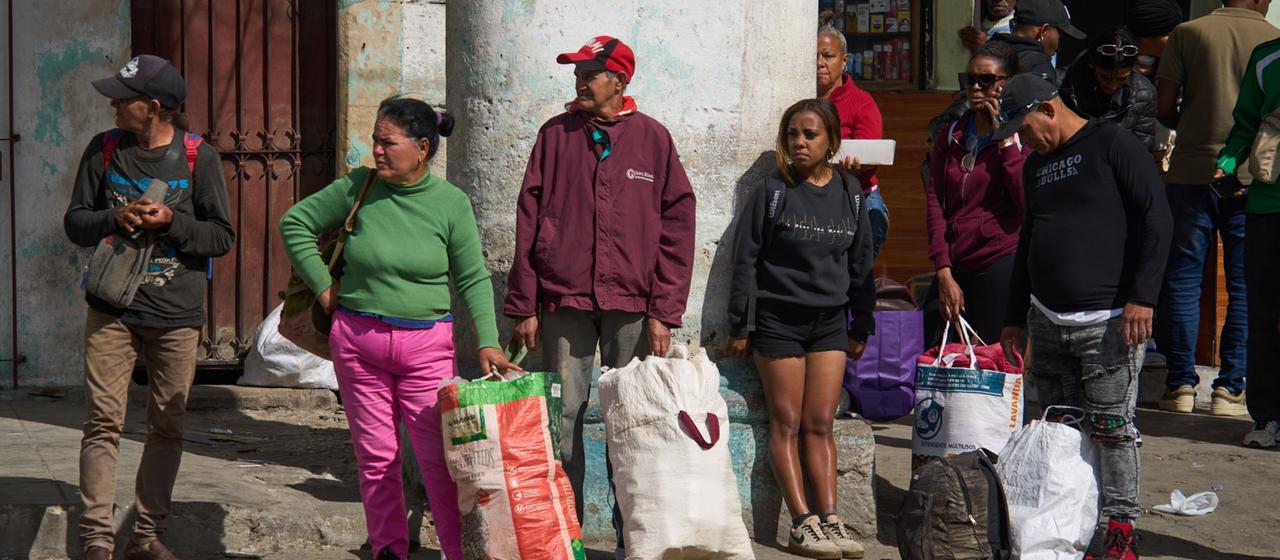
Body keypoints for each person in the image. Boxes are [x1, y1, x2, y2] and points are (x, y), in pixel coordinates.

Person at [279, 97, 520, 560]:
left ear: (423, 147)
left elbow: (470, 277)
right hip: (356, 342)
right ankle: (388, 549)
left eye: (387, 142)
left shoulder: (450, 204)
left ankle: (456, 551)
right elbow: (295, 223)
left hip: (426, 347)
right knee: (377, 459)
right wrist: (325, 287)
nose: (377, 151)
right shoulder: (358, 187)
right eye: (375, 140)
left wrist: (488, 341)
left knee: (440, 464)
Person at [504, 35, 696, 544]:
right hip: (563, 299)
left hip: (633, 306)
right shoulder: (555, 135)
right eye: (578, 73)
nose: (579, 81)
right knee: (561, 420)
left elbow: (678, 226)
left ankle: (634, 539)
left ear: (620, 80)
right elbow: (528, 219)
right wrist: (524, 303)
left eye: (590, 73)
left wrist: (664, 311)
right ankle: (564, 539)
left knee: (633, 422)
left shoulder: (653, 139)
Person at [64, 54, 235, 560]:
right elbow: (75, 223)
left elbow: (220, 236)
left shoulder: (198, 158)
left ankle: (145, 534)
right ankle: (96, 538)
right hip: (111, 310)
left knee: (167, 424)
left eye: (123, 98)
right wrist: (116, 217)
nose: (114, 105)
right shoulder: (104, 149)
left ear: (154, 107)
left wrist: (170, 223)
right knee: (102, 421)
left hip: (176, 316)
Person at [996, 74, 1172, 560]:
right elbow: (1027, 241)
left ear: (1048, 109)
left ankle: (1119, 533)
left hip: (1110, 321)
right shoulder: (1036, 167)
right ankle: (1065, 527)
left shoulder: (1113, 143)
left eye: (1024, 127)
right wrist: (1014, 315)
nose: (1021, 139)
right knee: (1058, 430)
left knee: (1112, 430)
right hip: (1046, 321)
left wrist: (1143, 296)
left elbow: (1157, 218)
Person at [725, 98, 876, 559]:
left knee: (820, 423)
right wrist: (740, 324)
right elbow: (745, 259)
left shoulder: (850, 192)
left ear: (831, 140)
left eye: (810, 134)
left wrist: (861, 323)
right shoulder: (773, 190)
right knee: (786, 422)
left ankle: (830, 518)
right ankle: (801, 522)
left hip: (829, 323)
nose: (799, 142)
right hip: (778, 323)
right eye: (793, 134)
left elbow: (861, 263)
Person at [1154, 0, 1279, 417]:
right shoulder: (1273, 40)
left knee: (1184, 277)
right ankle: (1230, 389)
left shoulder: (1188, 33)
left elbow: (1164, 107)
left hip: (1193, 168)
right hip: (1253, 177)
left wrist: (1192, 121)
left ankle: (1180, 386)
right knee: (1245, 285)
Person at [922, 42, 1028, 346]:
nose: (975, 87)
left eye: (986, 79)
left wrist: (1005, 139)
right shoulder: (951, 134)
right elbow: (935, 202)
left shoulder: (1024, 133)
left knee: (996, 357)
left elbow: (1024, 201)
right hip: (954, 260)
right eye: (969, 79)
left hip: (998, 258)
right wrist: (942, 269)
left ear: (1006, 85)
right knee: (937, 349)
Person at [1215, 36, 1280, 447]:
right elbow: (1245, 123)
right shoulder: (1266, 57)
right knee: (1264, 315)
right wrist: (1227, 162)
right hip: (1268, 207)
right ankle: (1267, 418)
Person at [818, 25, 889, 256]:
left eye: (828, 56)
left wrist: (849, 170)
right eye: (814, 56)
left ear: (845, 60)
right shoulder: (799, 99)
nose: (819, 62)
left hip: (859, 192)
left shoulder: (862, 102)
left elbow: (870, 156)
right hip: (812, 195)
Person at [1060, 27, 1157, 151]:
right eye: (1105, 77)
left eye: (1122, 79)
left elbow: (1141, 149)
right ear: (1092, 64)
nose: (1113, 86)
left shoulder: (1145, 94)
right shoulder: (1063, 85)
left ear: (1132, 69)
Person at [1126, 0, 1182, 174]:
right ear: (1150, 34)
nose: (1177, 40)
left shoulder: (1177, 64)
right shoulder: (1117, 63)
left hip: (1166, 166)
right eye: (1171, 34)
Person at [985, 0, 1084, 84]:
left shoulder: (985, 53)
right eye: (1060, 39)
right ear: (1044, 31)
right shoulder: (1039, 67)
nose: (1059, 48)